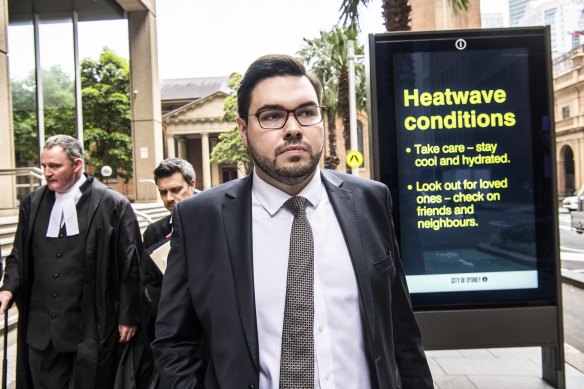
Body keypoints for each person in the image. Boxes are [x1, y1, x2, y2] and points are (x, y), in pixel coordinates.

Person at [152, 54, 433, 388]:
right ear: (243, 130)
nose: (293, 129)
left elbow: (401, 331)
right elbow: (174, 343)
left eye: (306, 112)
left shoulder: (370, 201)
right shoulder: (201, 219)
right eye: (272, 116)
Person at [0, 135, 143, 389]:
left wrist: (128, 315)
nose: (46, 172)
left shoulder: (112, 204)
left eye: (54, 166)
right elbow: (19, 254)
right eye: (44, 166)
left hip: (89, 331)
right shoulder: (32, 204)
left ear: (77, 165)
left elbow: (130, 263)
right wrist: (8, 287)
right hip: (42, 331)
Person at [139, 158, 197, 388]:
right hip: (173, 329)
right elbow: (147, 281)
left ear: (192, 185)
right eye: (163, 192)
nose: (168, 199)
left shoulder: (215, 221)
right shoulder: (154, 232)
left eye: (175, 190)